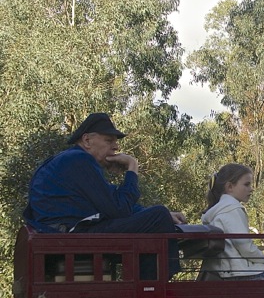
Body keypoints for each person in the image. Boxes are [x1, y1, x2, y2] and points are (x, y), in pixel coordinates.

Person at [23, 112, 186, 278]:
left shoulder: (70, 160)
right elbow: (119, 209)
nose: (116, 147)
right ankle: (153, 289)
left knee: (160, 214)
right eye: (109, 140)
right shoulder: (80, 160)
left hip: (64, 235)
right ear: (87, 140)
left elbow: (112, 202)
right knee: (158, 216)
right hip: (71, 237)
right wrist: (132, 167)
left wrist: (162, 214)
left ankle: (147, 286)